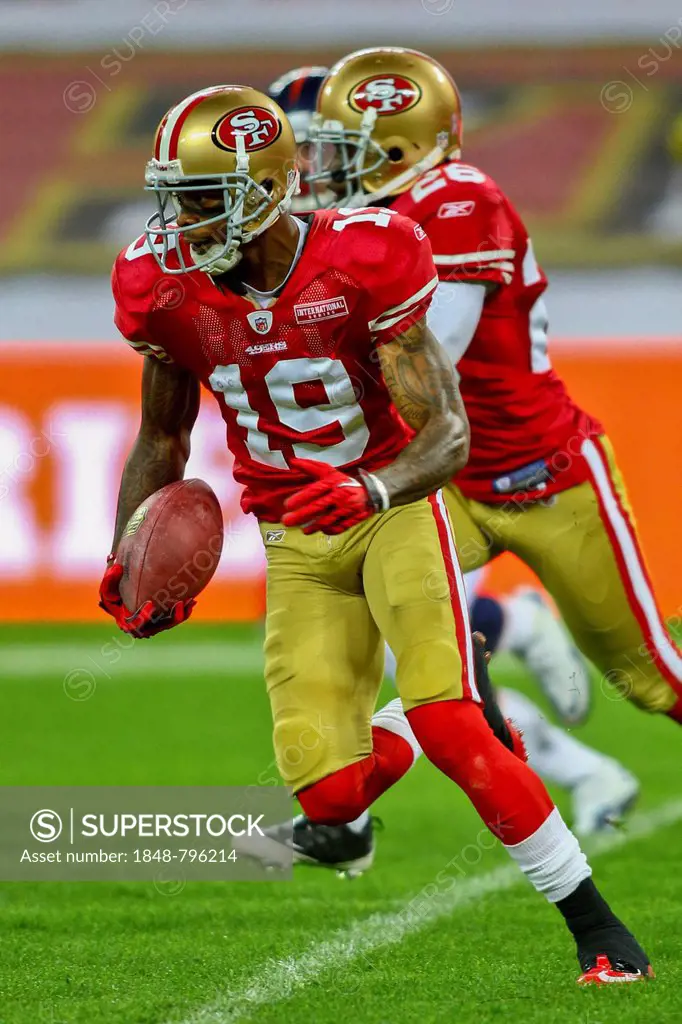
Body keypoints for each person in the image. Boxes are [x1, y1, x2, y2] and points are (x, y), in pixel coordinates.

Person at [101, 83, 652, 986]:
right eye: (174, 196)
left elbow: (446, 435)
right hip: (294, 539)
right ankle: (454, 689)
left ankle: (596, 928)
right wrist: (125, 556)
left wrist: (368, 486)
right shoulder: (159, 286)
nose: (179, 221)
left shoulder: (365, 254)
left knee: (452, 726)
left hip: (393, 512)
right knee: (330, 796)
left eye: (202, 198)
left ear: (266, 190)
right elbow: (161, 437)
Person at [263, 64, 640, 873]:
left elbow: (433, 365)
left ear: (398, 146)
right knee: (412, 650)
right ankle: (352, 809)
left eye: (336, 150)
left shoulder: (457, 201)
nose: (318, 171)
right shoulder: (368, 216)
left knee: (650, 680)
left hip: (537, 470)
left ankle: (520, 644)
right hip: (445, 477)